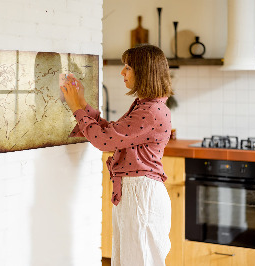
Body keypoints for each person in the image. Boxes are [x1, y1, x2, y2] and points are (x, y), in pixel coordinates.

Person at [61, 44, 173, 266]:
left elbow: (104, 141)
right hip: (136, 193)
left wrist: (76, 108)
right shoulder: (146, 106)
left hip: (141, 195)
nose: (122, 72)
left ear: (144, 72)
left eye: (128, 67)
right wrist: (82, 103)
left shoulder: (150, 111)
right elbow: (112, 133)